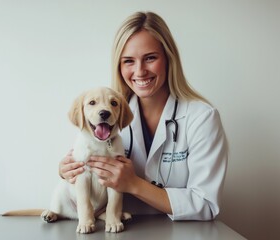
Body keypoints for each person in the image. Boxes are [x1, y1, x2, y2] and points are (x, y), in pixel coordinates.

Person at [59, 11, 228, 221]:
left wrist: (134, 184)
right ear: (119, 67)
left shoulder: (201, 118)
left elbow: (206, 205)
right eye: (128, 61)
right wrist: (67, 171)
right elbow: (88, 167)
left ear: (168, 59)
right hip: (121, 228)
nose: (139, 72)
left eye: (150, 58)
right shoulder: (110, 113)